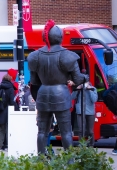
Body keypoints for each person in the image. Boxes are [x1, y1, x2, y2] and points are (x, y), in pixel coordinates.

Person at [27, 19, 86, 155]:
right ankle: (69, 161)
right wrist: (85, 77)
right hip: (61, 94)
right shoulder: (67, 55)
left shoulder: (34, 56)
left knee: (42, 131)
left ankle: (41, 159)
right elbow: (77, 80)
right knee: (66, 132)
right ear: (60, 37)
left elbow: (34, 81)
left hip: (43, 94)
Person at [71, 81, 98, 147]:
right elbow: (72, 97)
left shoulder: (93, 88)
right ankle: (81, 145)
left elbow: (94, 100)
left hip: (90, 112)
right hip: (80, 111)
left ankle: (91, 145)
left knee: (90, 131)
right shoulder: (79, 89)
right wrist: (77, 89)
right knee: (81, 130)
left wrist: (89, 89)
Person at [0, 74, 16, 152]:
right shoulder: (10, 89)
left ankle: (0, 146)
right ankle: (7, 146)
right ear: (9, 80)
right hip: (7, 111)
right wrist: (15, 105)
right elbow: (11, 101)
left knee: (1, 129)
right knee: (8, 129)